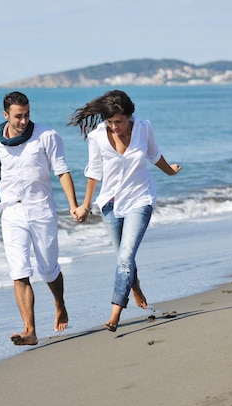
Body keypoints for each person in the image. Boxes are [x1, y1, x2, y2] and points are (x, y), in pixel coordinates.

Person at [68, 90, 181, 332]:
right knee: (123, 256)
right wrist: (85, 205)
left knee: (125, 257)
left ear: (129, 116)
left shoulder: (143, 128)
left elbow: (154, 155)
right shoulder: (97, 136)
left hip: (140, 199)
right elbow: (93, 171)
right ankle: (135, 287)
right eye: (109, 121)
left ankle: (115, 312)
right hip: (110, 204)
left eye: (118, 121)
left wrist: (170, 171)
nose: (114, 126)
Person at [0, 91, 79, 346]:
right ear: (5, 115)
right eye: (18, 116)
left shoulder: (47, 136)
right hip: (12, 211)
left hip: (41, 209)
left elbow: (62, 171)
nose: (23, 121)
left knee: (48, 269)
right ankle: (29, 331)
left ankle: (59, 304)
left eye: (26, 115)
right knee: (19, 271)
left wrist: (73, 205)